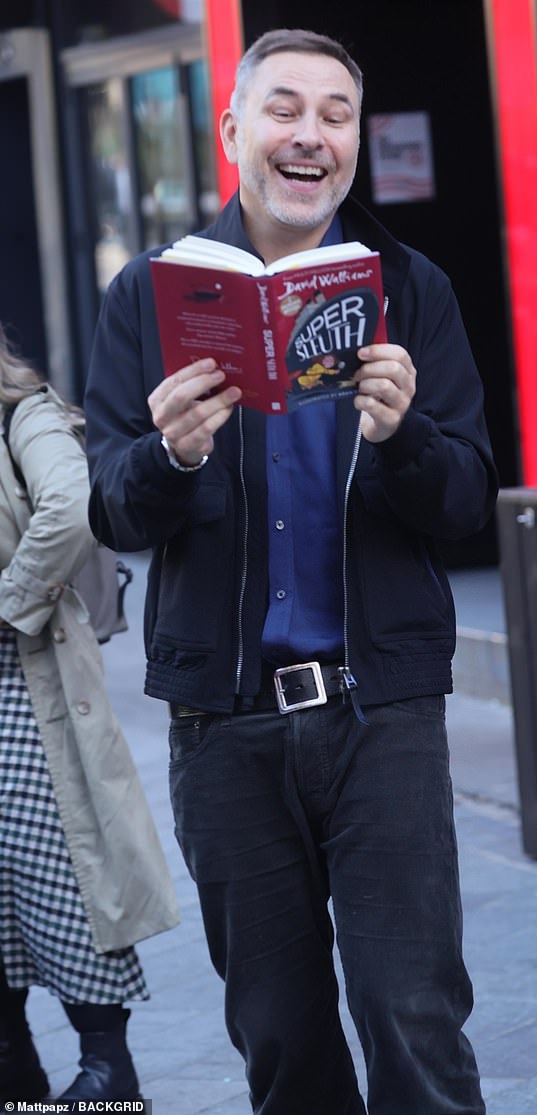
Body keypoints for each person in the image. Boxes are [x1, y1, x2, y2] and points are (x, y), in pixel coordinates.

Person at [84, 27, 498, 1115]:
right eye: (283, 109)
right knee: (279, 1036)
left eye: (334, 113)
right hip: (223, 728)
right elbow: (109, 508)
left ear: (354, 139)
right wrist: (165, 454)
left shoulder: (413, 288)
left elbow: (463, 500)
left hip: (382, 715)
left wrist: (405, 435)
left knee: (413, 1014)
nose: (308, 133)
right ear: (232, 131)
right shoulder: (149, 297)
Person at [0, 324, 180, 1104]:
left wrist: (9, 607)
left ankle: (108, 1073)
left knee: (59, 881)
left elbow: (72, 507)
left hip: (24, 691)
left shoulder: (24, 414)